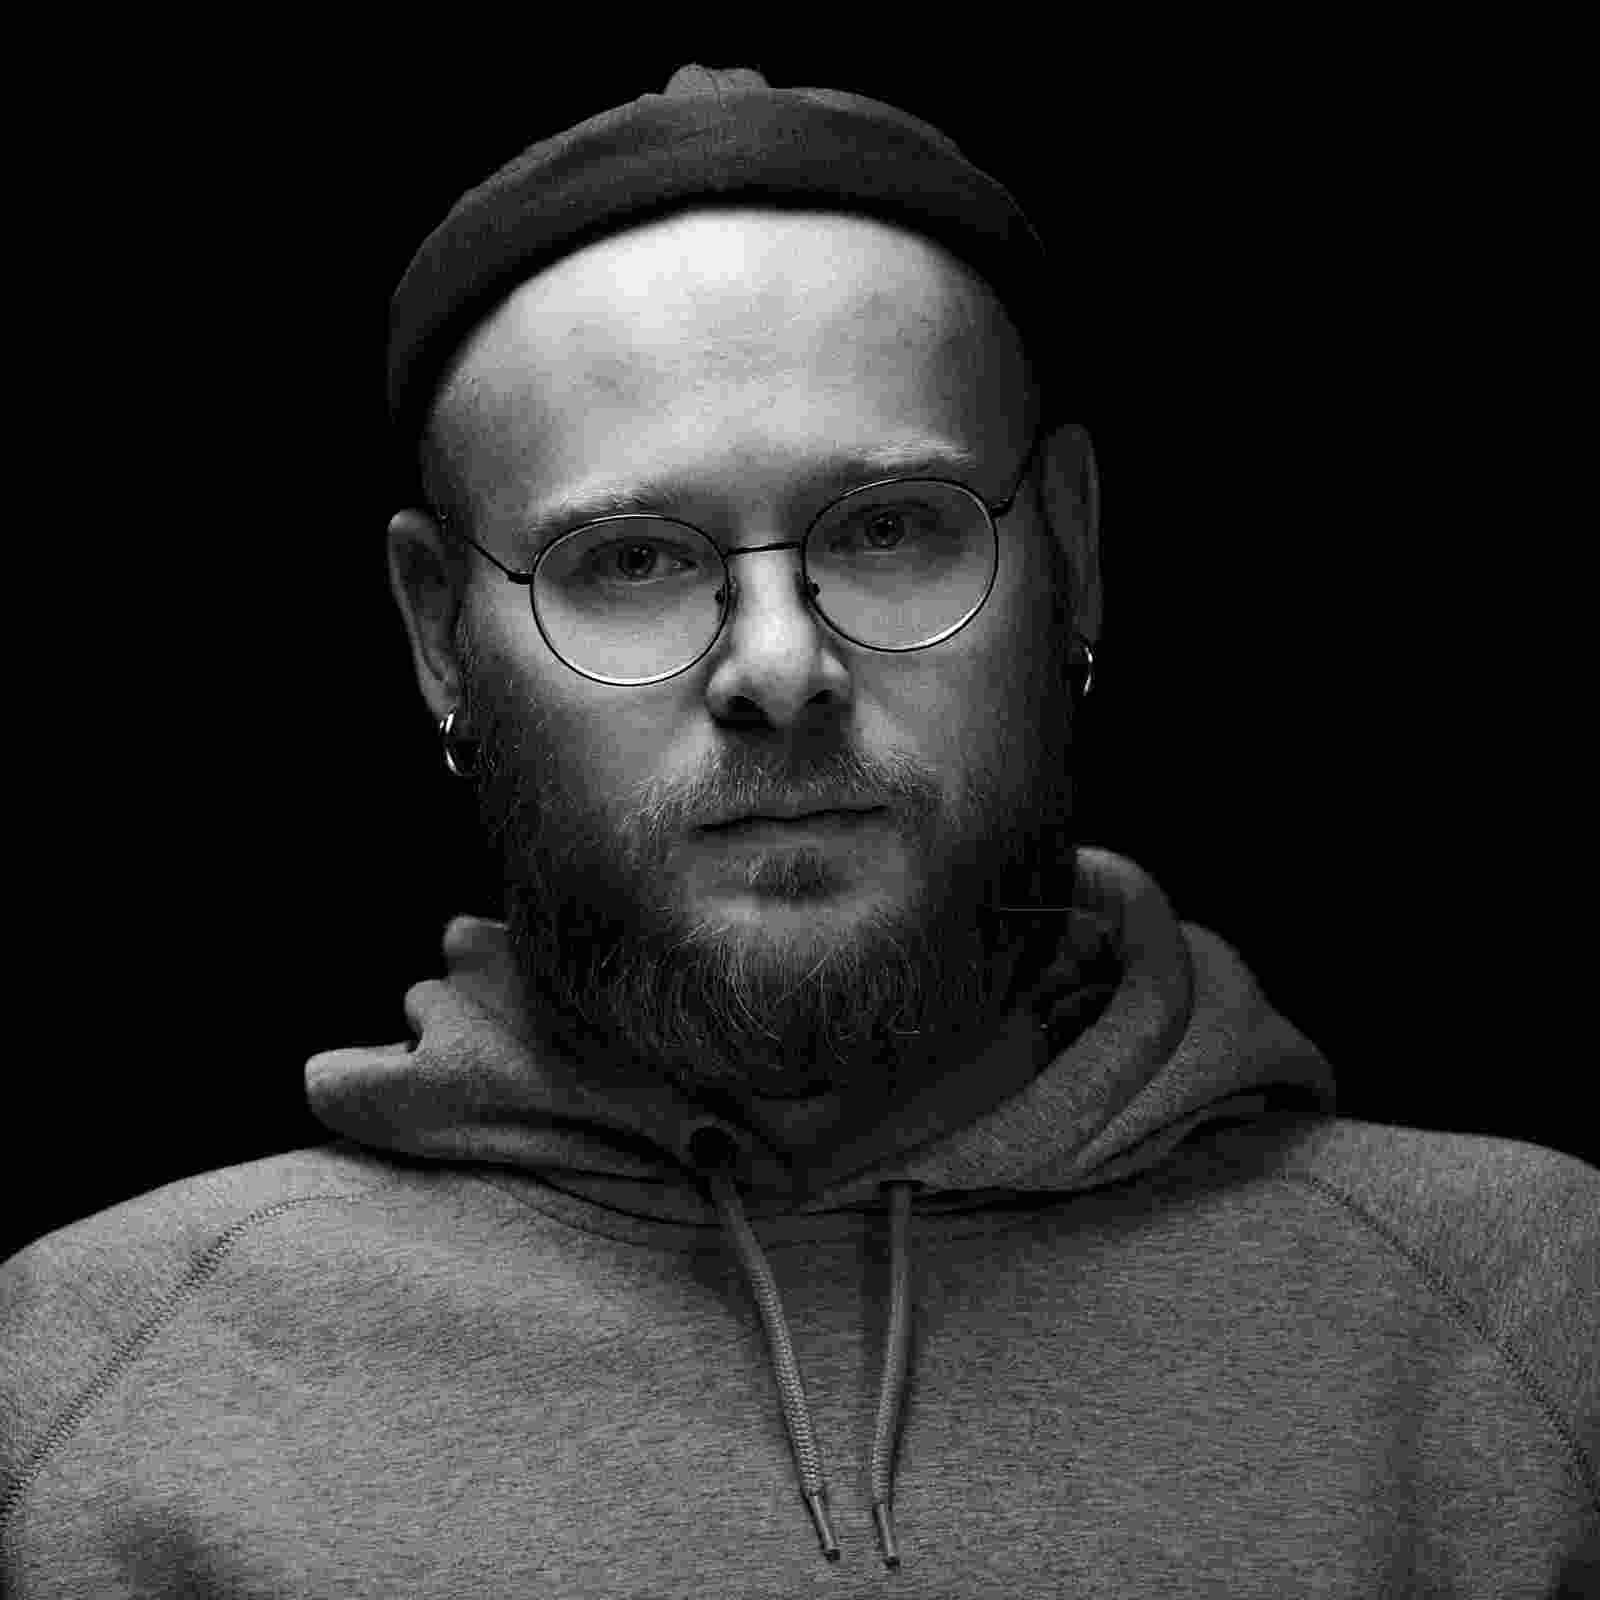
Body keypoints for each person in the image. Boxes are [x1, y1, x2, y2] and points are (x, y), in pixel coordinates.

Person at [2, 62, 1595, 1597]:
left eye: (890, 529)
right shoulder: (82, 1389)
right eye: (631, 561)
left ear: (1074, 554)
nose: (779, 668)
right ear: (439, 639)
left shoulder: (1541, 1320)